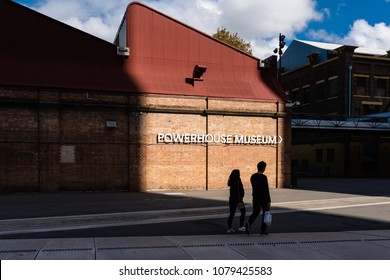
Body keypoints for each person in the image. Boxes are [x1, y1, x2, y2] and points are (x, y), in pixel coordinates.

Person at [245, 161, 271, 235]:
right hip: (264, 198)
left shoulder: (253, 176)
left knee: (255, 212)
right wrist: (269, 200)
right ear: (263, 168)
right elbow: (266, 189)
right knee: (266, 213)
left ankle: (249, 223)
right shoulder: (264, 177)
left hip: (256, 197)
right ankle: (263, 230)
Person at [226, 169, 246, 233]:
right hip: (238, 199)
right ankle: (241, 226)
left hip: (232, 199)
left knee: (232, 213)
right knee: (243, 212)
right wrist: (242, 196)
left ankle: (229, 228)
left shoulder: (231, 180)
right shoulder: (238, 180)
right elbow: (241, 189)